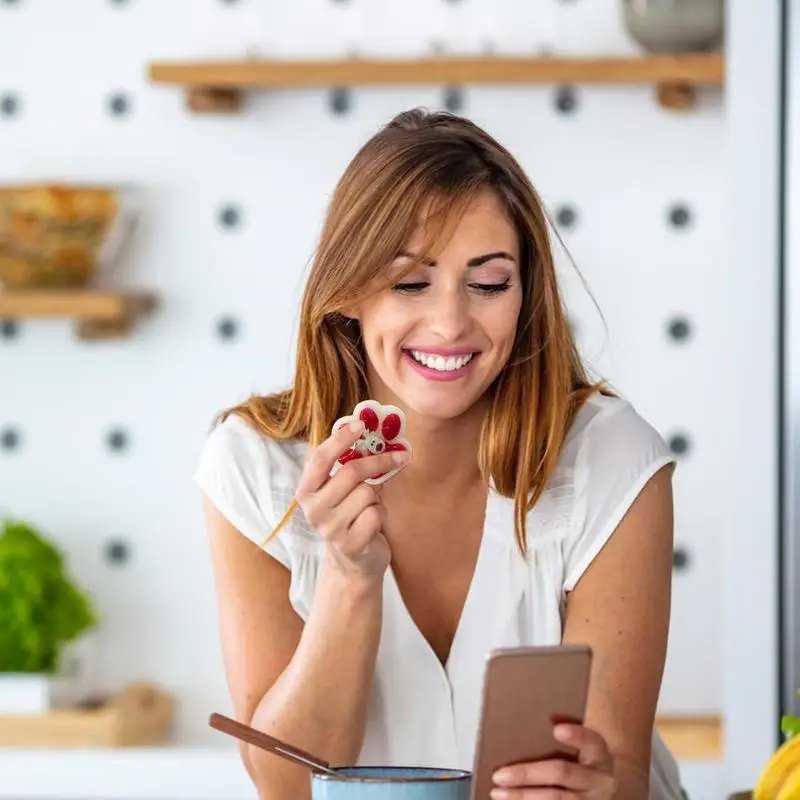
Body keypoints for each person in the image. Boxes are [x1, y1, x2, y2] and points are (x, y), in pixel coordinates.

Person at [193, 108, 686, 800]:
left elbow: (622, 772)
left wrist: (597, 788)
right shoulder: (252, 465)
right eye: (409, 282)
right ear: (351, 294)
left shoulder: (610, 457)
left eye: (487, 283)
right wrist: (349, 574)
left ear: (526, 293)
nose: (451, 323)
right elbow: (287, 783)